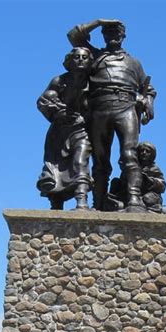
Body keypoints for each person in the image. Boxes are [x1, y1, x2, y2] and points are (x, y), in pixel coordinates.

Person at [67, 19, 156, 212]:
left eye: (117, 32)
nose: (113, 35)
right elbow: (73, 36)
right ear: (103, 35)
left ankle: (134, 199)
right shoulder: (95, 56)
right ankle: (98, 203)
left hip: (126, 107)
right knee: (100, 160)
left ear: (123, 35)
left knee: (129, 154)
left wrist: (148, 101)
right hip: (99, 108)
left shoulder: (134, 63)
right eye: (108, 32)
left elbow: (148, 89)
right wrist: (99, 22)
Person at [36, 47, 93, 210]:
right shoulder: (59, 81)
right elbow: (42, 102)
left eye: (84, 57)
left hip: (81, 130)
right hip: (59, 131)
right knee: (55, 166)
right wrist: (58, 111)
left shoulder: (94, 82)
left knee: (80, 161)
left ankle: (81, 201)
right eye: (76, 57)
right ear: (70, 61)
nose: (80, 59)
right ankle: (56, 204)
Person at [106, 141, 166, 213]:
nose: (144, 153)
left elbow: (162, 186)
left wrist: (149, 181)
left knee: (147, 199)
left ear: (152, 155)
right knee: (115, 182)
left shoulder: (154, 168)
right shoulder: (132, 167)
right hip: (129, 193)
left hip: (148, 194)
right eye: (142, 151)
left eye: (147, 151)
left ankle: (153, 208)